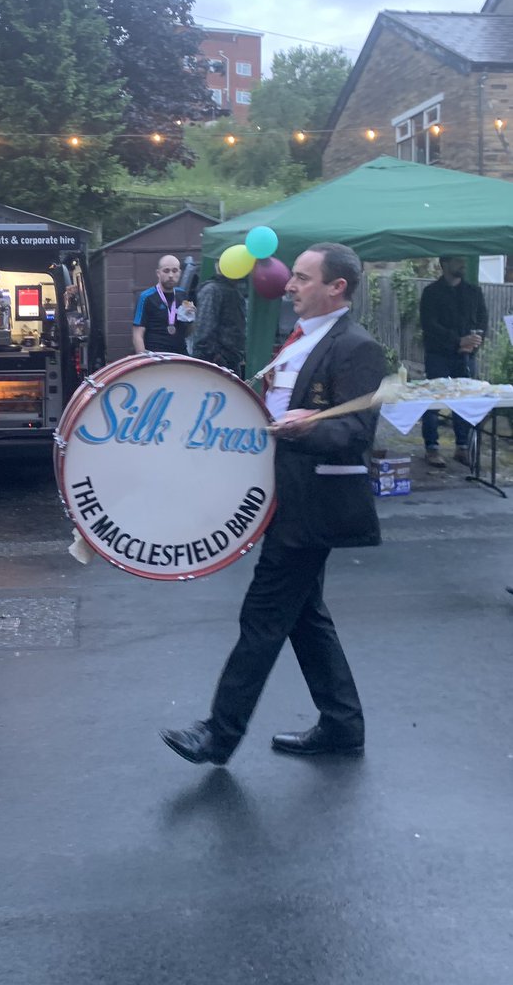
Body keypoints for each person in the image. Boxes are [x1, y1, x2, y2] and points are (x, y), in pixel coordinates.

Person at [161, 243, 385, 766]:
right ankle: (342, 725)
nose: (289, 285)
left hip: (312, 508)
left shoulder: (357, 348)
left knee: (262, 615)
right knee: (306, 618)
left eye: (304, 278)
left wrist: (306, 428)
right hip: (282, 499)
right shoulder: (301, 340)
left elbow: (355, 433)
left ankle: (219, 734)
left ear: (338, 288)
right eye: (294, 277)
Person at [419, 255, 489, 467]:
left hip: (466, 355)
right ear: (444, 264)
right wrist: (457, 340)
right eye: (458, 261)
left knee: (465, 400)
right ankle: (432, 448)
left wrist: (475, 342)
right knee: (433, 401)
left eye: (463, 261)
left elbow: (483, 320)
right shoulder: (431, 293)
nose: (463, 265)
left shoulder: (473, 292)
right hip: (439, 354)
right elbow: (429, 325)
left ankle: (462, 447)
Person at [132, 254, 195, 355]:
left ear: (179, 272)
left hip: (180, 355)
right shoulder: (147, 297)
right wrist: (143, 359)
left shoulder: (182, 295)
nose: (171, 275)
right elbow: (137, 334)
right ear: (158, 273)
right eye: (166, 271)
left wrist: (191, 319)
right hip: (156, 356)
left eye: (174, 271)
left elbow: (187, 333)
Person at [191, 268, 246, 373]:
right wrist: (212, 357)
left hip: (231, 361)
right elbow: (204, 329)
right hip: (215, 363)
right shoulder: (211, 290)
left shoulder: (235, 292)